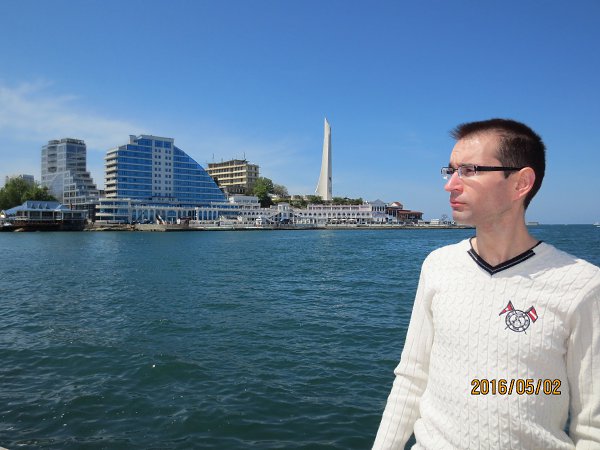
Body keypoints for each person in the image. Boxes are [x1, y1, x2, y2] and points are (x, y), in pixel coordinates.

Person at [373, 118, 600, 449]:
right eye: (450, 171)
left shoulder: (583, 285)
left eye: (469, 170)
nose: (450, 185)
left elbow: (592, 426)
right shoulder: (438, 266)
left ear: (521, 183)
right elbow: (412, 377)